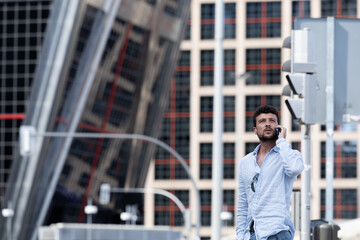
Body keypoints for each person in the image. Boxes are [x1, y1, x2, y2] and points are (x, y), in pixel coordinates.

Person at [236, 105, 304, 240]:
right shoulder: (246, 162)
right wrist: (240, 235)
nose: (267, 124)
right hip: (251, 234)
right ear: (255, 130)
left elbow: (295, 168)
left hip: (277, 233)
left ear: (278, 127)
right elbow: (243, 203)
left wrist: (283, 141)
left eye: (272, 121)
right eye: (262, 121)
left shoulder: (288, 155)